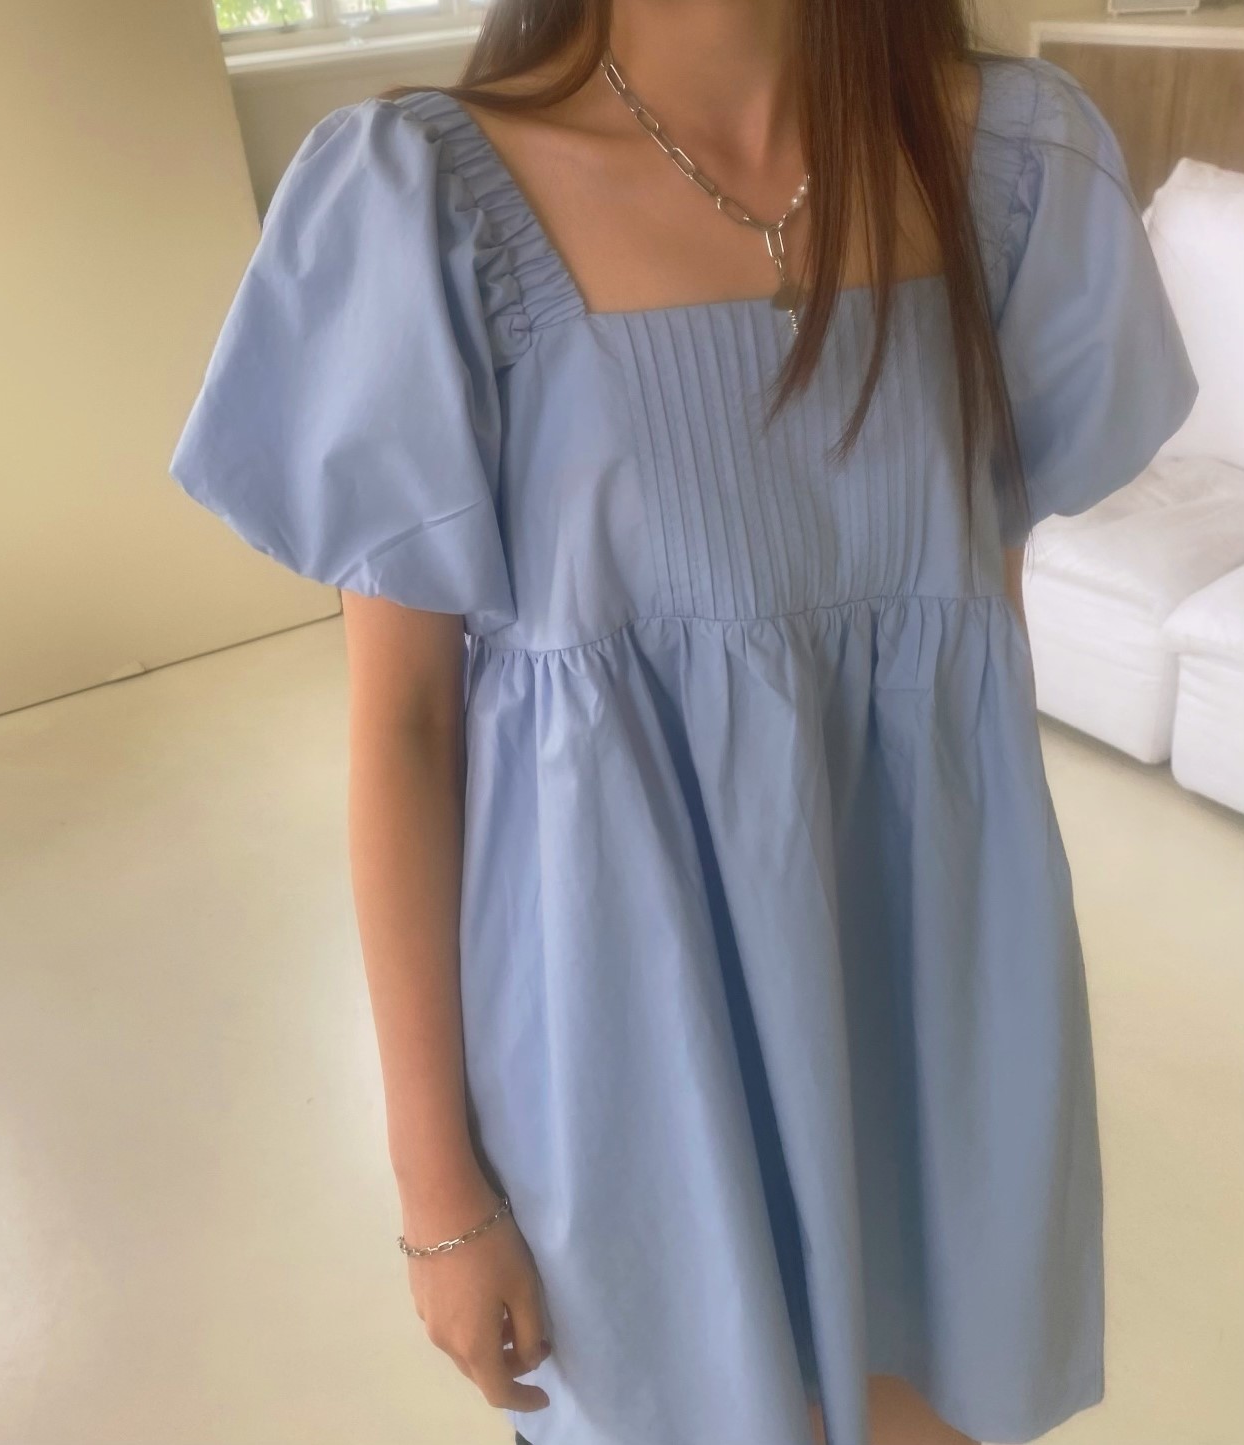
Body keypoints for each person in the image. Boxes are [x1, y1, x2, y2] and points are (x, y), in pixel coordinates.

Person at [167, 0, 1197, 1437]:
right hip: (628, 1034)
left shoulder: (1013, 170)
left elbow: (974, 640)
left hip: (940, 1011)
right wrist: (438, 1192)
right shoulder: (423, 205)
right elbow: (405, 730)